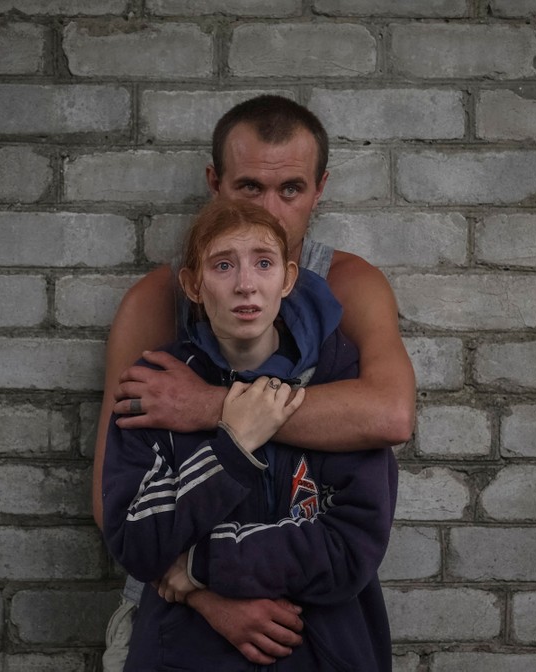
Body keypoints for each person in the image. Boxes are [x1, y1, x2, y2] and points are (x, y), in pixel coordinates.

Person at [94, 95, 416, 665]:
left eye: (290, 189)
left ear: (320, 189)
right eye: (249, 188)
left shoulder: (350, 284)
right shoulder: (159, 299)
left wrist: (214, 406)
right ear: (216, 183)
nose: (273, 206)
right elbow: (111, 502)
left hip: (309, 613)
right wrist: (205, 593)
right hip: (178, 607)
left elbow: (388, 415)